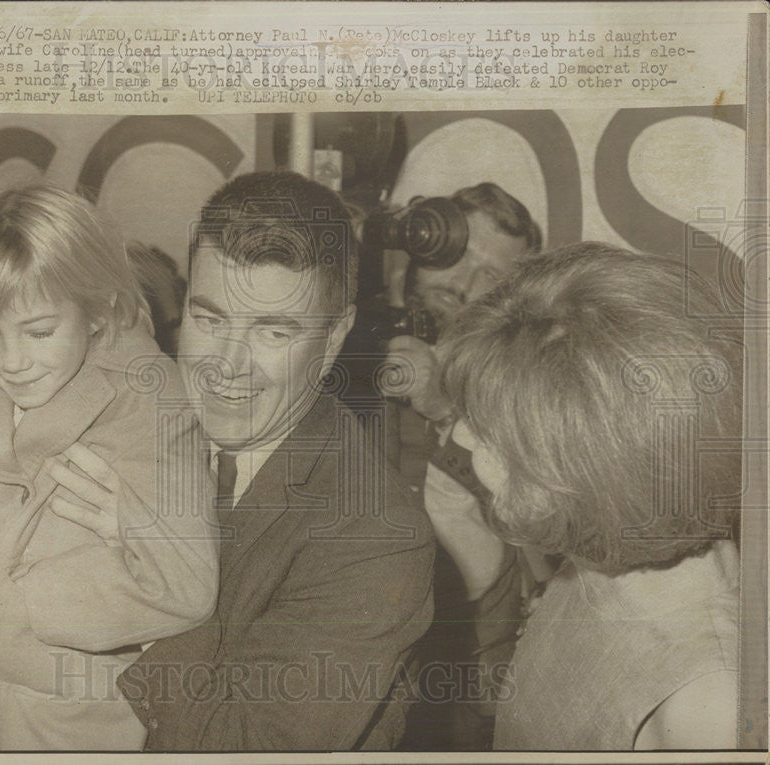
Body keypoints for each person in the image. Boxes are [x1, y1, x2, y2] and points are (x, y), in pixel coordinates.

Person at [0, 185, 219, 750]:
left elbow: (188, 584)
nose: (11, 361)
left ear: (97, 313)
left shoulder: (150, 395)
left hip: (71, 716)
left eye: (40, 332)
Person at [113, 171, 437, 750]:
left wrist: (140, 565)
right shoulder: (137, 421)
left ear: (334, 336)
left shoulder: (375, 538)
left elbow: (248, 746)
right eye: (209, 320)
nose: (226, 365)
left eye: (272, 331)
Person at [433, 244, 741, 749]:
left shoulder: (708, 705)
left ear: (591, 472)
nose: (463, 439)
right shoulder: (597, 558)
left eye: (489, 431)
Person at [386, 183, 542, 751]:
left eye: (494, 277)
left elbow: (536, 519)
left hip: (462, 666)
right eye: (457, 256)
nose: (467, 288)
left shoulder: (515, 381)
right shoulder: (350, 331)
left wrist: (444, 406)